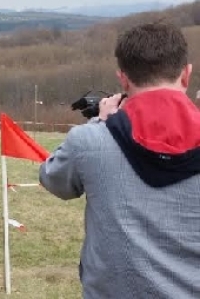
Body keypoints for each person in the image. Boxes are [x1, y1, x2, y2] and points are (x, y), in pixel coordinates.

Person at [39, 22, 200, 298]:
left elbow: (52, 178)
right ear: (186, 75)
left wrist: (98, 123)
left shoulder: (89, 141)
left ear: (123, 79)